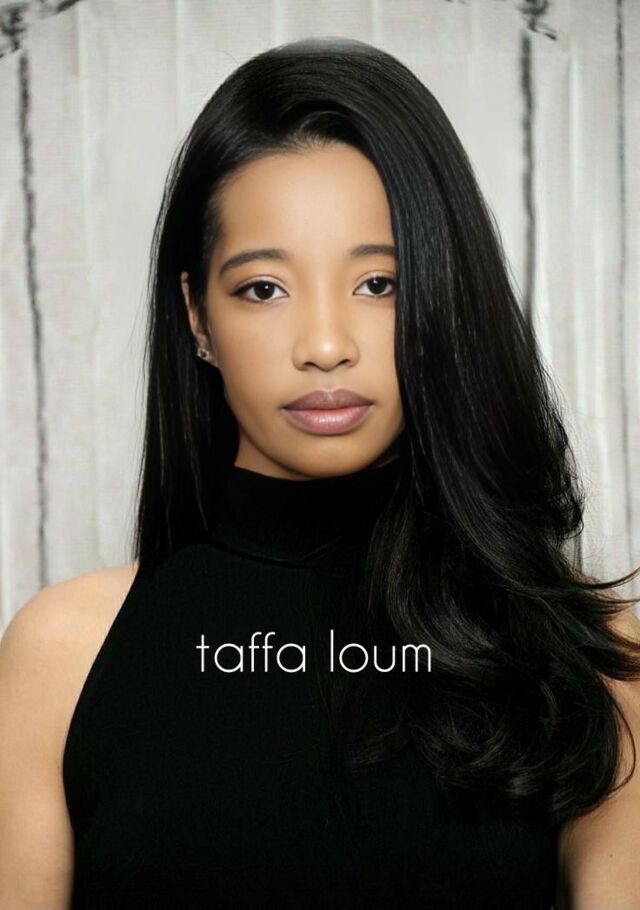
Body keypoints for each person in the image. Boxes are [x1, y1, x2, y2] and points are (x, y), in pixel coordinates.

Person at [1, 35, 640, 909]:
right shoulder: (60, 655)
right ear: (197, 318)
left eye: (379, 283)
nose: (327, 345)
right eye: (264, 288)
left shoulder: (591, 661)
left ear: (444, 294)